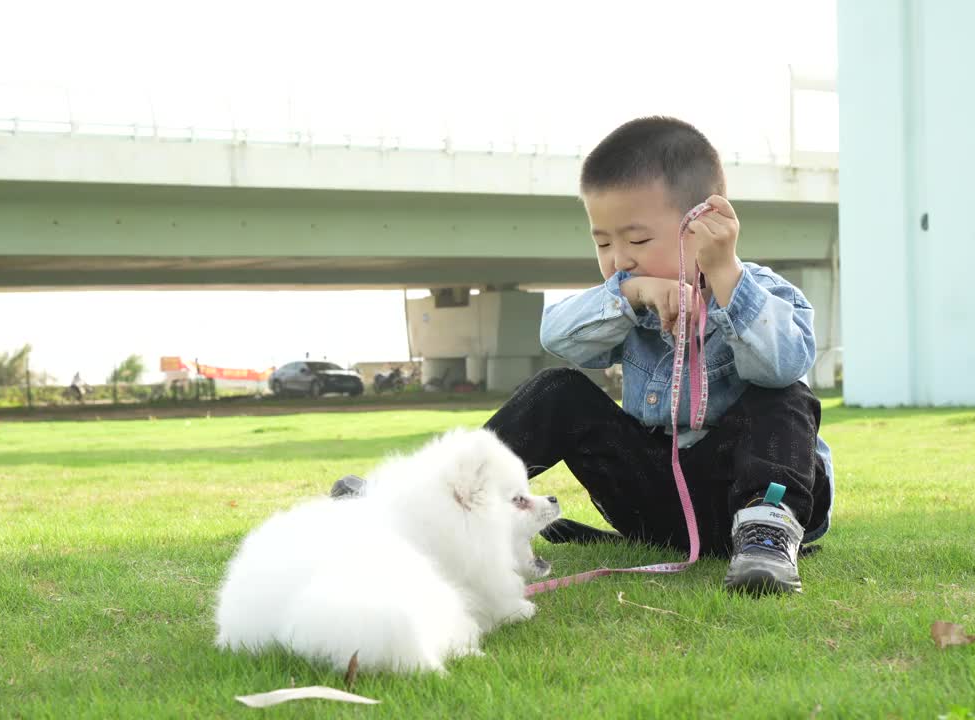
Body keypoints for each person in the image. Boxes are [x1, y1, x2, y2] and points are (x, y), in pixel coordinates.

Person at [338, 117, 833, 595]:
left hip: (753, 498)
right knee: (559, 389)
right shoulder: (627, 303)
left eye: (637, 240)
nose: (619, 258)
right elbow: (557, 335)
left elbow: (783, 362)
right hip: (658, 502)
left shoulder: (766, 294)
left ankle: (767, 538)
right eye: (603, 242)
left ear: (704, 223)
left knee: (785, 396)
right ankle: (430, 500)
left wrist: (724, 273)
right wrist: (631, 293)